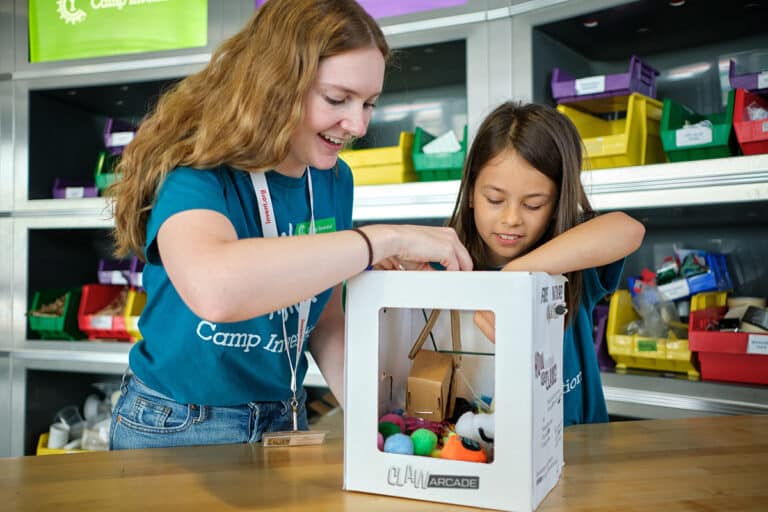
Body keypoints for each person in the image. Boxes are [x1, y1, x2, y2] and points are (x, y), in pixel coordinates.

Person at [107, 0, 472, 450]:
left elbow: (323, 313)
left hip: (284, 416)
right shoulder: (197, 172)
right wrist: (382, 239)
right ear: (275, 84)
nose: (356, 125)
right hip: (179, 422)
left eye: (369, 104)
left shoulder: (333, 178)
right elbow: (216, 290)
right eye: (338, 100)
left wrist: (374, 419)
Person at [447, 101, 645, 426]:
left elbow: (629, 229)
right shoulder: (449, 263)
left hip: (580, 450)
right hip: (478, 454)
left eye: (534, 204)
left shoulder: (572, 260)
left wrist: (514, 274)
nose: (511, 219)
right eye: (494, 200)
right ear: (470, 192)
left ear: (556, 203)